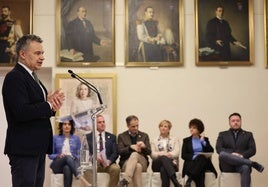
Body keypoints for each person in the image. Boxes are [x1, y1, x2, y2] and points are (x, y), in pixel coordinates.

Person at [2, 34, 65, 187]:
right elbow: (22, 112)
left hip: (36, 147)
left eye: (42, 53)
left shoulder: (32, 76)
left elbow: (37, 108)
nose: (42, 57)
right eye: (37, 53)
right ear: (22, 54)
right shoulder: (15, 77)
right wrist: (48, 105)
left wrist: (52, 106)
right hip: (24, 148)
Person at [216, 113, 264, 187]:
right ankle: (252, 163)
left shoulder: (248, 134)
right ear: (229, 122)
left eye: (238, 120)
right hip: (227, 165)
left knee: (246, 168)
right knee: (222, 154)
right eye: (233, 121)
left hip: (241, 164)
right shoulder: (222, 134)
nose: (235, 122)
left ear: (241, 122)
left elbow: (252, 149)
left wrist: (242, 155)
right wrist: (232, 154)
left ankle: (248, 163)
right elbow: (218, 148)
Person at [48, 120, 90, 187]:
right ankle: (80, 177)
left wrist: (74, 157)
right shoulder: (55, 138)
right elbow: (50, 155)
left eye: (69, 124)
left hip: (71, 163)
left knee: (67, 168)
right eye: (64, 124)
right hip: (57, 164)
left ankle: (77, 175)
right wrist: (58, 155)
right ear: (61, 126)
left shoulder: (76, 138)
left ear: (71, 126)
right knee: (67, 157)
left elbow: (80, 154)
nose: (67, 126)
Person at [85, 114, 120, 187]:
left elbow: (115, 152)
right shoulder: (88, 137)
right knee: (88, 169)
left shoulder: (112, 137)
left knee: (116, 169)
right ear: (95, 124)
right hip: (94, 163)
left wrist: (109, 161)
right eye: (100, 122)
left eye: (103, 122)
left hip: (107, 163)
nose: (102, 124)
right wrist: (94, 157)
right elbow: (86, 152)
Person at [117, 115, 151, 187]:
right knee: (137, 167)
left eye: (137, 126)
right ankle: (127, 180)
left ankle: (126, 179)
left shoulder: (144, 135)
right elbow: (120, 151)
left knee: (135, 154)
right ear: (127, 126)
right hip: (126, 162)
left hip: (142, 161)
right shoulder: (121, 136)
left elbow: (149, 152)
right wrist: (130, 147)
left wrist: (144, 147)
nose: (136, 128)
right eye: (133, 126)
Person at [181, 118, 217, 187]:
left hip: (203, 162)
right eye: (190, 127)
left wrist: (203, 141)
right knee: (200, 171)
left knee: (201, 158)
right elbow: (183, 155)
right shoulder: (186, 140)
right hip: (191, 162)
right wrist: (195, 156)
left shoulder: (204, 139)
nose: (191, 129)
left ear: (199, 129)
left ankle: (190, 179)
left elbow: (211, 150)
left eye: (194, 128)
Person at [150, 120, 182, 187]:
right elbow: (152, 154)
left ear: (169, 129)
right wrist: (161, 154)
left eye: (165, 126)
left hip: (172, 164)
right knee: (163, 158)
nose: (163, 128)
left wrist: (166, 154)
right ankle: (175, 182)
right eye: (161, 126)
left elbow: (176, 152)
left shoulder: (174, 139)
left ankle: (174, 182)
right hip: (157, 164)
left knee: (163, 169)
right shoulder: (154, 140)